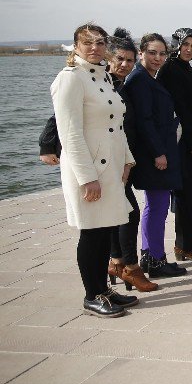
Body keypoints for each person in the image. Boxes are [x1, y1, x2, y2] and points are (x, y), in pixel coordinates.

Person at [51, 23, 138, 317]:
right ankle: (92, 294)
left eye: (100, 43)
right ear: (76, 46)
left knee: (105, 230)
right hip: (88, 169)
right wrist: (87, 178)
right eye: (87, 43)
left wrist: (127, 159)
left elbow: (117, 124)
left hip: (111, 167)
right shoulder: (70, 79)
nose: (94, 48)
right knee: (91, 232)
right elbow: (70, 133)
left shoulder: (103, 77)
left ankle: (104, 289)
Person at [122, 33, 187, 280]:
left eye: (162, 54)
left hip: (160, 152)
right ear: (141, 53)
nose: (158, 58)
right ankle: (156, 259)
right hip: (155, 155)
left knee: (155, 205)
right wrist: (159, 152)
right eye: (152, 53)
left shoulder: (147, 78)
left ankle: (151, 256)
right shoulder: (139, 79)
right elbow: (144, 121)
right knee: (158, 206)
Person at [106, 29, 157, 293]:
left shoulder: (120, 84)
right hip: (107, 161)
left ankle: (116, 262)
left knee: (121, 212)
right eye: (119, 59)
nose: (125, 65)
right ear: (108, 57)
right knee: (128, 212)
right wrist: (48, 145)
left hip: (123, 160)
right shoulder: (103, 84)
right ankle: (129, 266)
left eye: (128, 60)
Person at [156, 28, 192, 263]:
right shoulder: (170, 69)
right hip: (183, 140)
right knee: (186, 194)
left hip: (191, 138)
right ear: (176, 44)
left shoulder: (184, 67)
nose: (189, 49)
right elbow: (181, 110)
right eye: (185, 44)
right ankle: (184, 245)